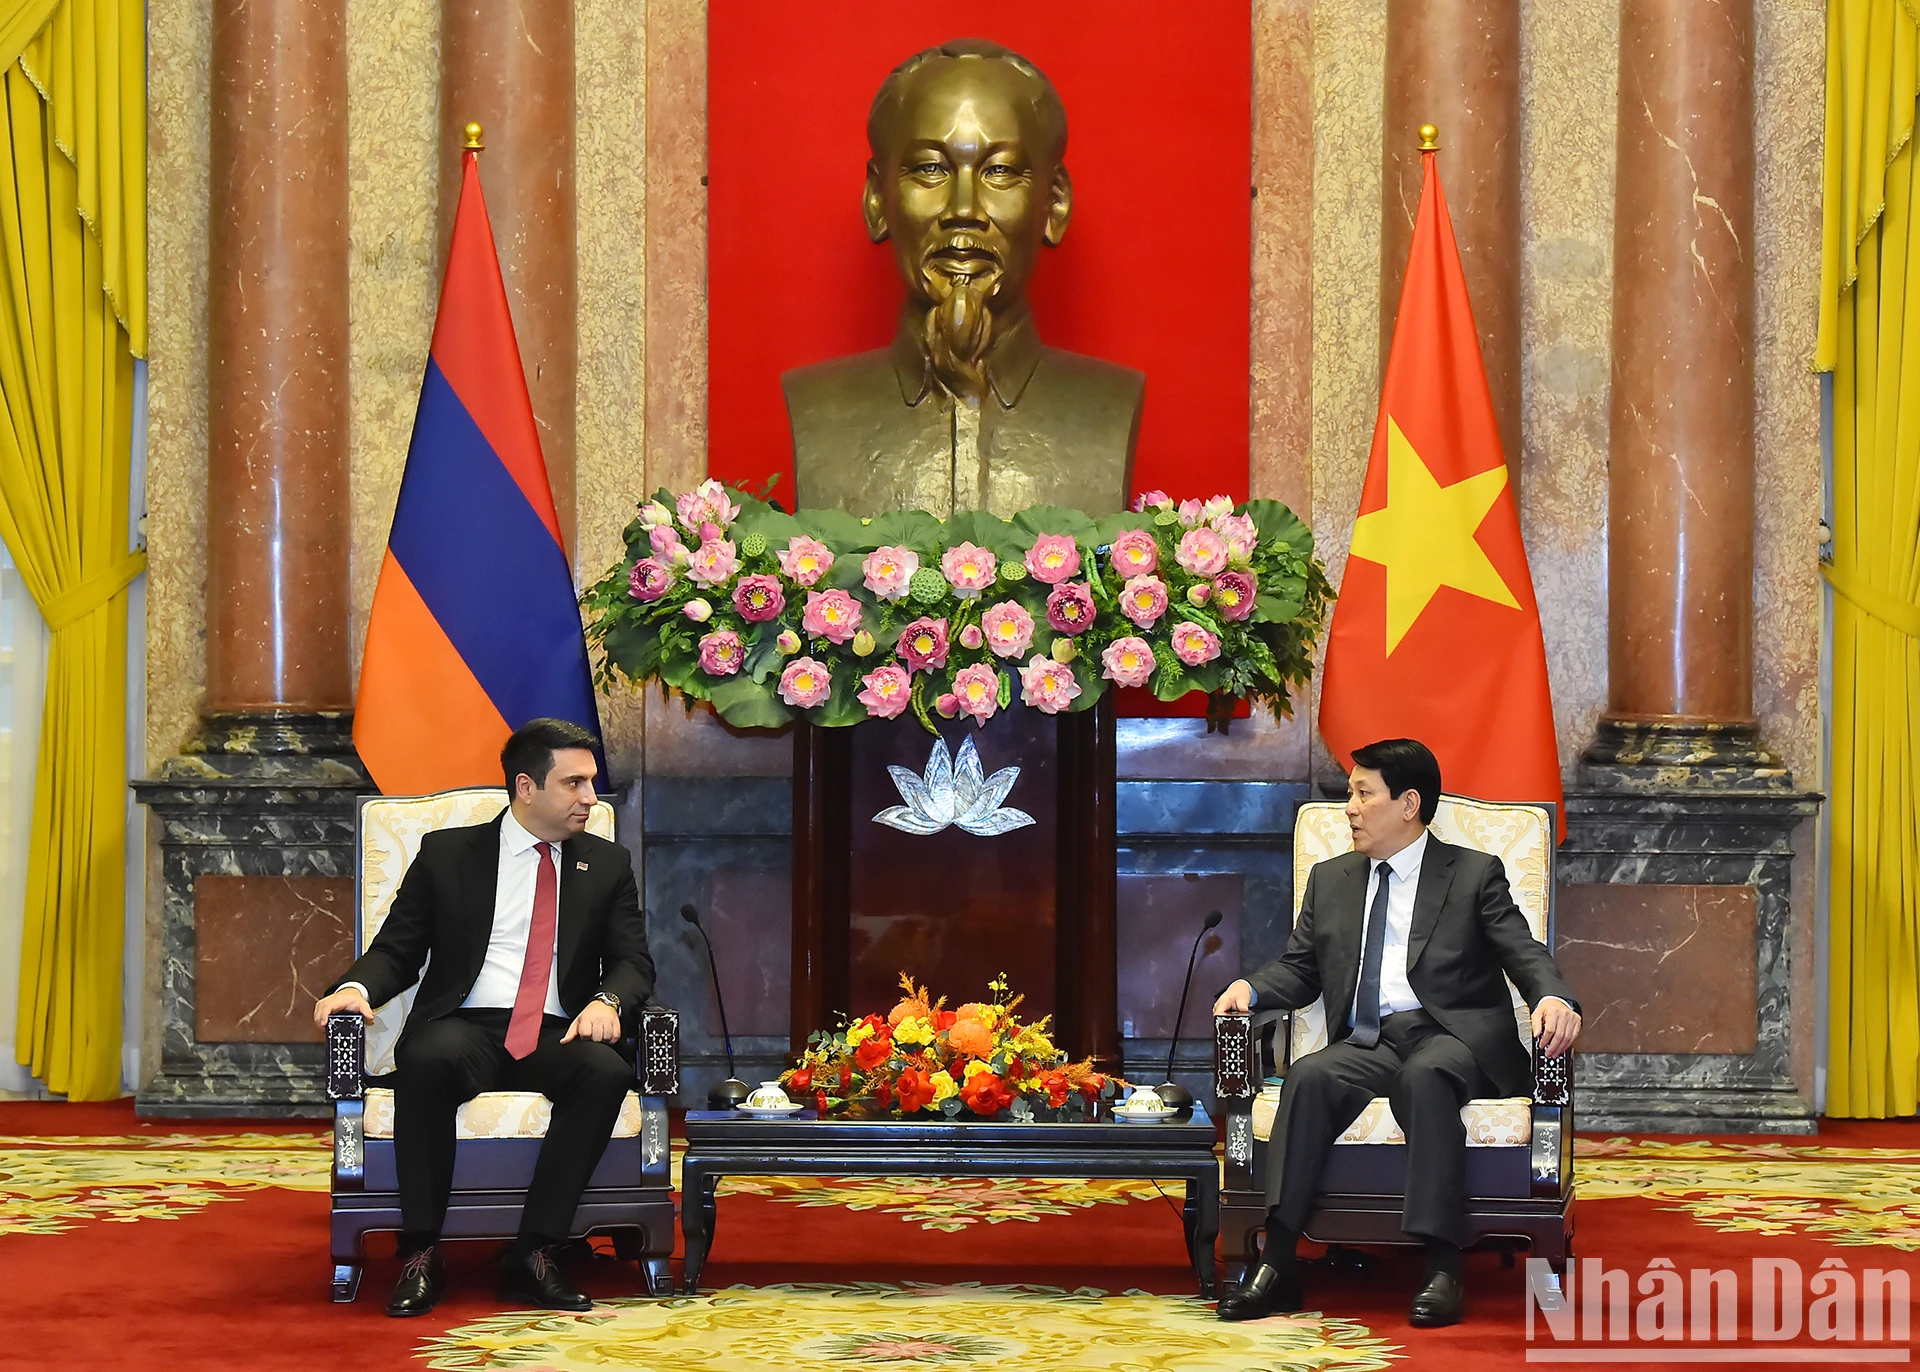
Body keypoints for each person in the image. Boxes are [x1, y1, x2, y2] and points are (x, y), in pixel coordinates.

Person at [1211, 738, 1580, 1328]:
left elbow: (1521, 949)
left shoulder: (1472, 873)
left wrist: (1553, 995)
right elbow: (1301, 967)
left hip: (1451, 1035)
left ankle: (1442, 1267)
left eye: (1362, 793)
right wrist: (1250, 990)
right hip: (1368, 1039)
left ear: (1408, 804)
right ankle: (1278, 1264)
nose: (1349, 807)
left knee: (1426, 1074)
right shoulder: (1332, 879)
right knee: (1308, 1077)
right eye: (1349, 793)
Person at [312, 718, 654, 1318]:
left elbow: (633, 962)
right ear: (527, 786)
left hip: (558, 1027)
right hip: (466, 1024)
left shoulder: (606, 864)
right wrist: (355, 987)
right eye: (574, 784)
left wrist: (608, 1003)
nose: (590, 799)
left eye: (590, 783)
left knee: (602, 1072)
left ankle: (535, 1251)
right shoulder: (449, 855)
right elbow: (398, 948)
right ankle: (420, 1253)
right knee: (423, 1058)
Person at [783, 37, 1142, 518]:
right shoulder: (819, 408)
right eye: (931, 169)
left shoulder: (1109, 407)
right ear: (877, 199)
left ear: (1054, 204)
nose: (964, 210)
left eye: (1000, 172)